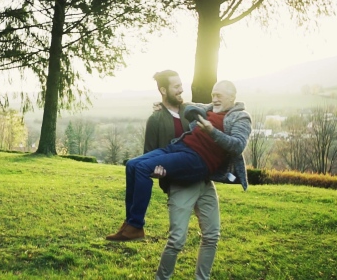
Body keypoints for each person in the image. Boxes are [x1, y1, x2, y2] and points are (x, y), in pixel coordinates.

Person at [106, 79, 251, 248]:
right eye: (213, 95)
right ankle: (129, 224)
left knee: (143, 168)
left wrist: (212, 131)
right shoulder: (209, 108)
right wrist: (163, 105)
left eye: (219, 95)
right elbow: (185, 105)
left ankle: (136, 227)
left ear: (232, 97)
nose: (215, 99)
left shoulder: (240, 117)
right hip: (180, 147)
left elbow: (237, 145)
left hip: (199, 160)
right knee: (132, 164)